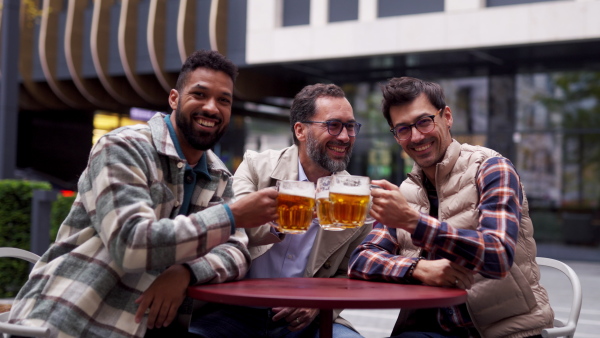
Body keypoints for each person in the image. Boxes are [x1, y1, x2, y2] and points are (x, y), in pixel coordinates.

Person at [8, 50, 278, 338]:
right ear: (174, 99)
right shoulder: (122, 147)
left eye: (223, 100)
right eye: (199, 94)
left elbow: (236, 250)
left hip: (151, 324)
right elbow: (131, 244)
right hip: (75, 318)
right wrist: (231, 216)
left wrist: (185, 272)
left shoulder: (217, 173)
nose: (212, 107)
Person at [349, 77, 554, 338]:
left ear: (447, 117)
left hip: (500, 330)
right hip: (427, 329)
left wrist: (414, 223)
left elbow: (498, 255)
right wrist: (416, 269)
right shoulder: (405, 191)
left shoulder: (491, 168)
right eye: (403, 129)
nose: (416, 136)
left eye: (424, 122)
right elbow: (360, 260)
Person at [189, 83, 370, 337]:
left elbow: (348, 274)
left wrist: (318, 303)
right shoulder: (255, 166)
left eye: (350, 126)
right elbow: (232, 228)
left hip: (307, 316)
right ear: (300, 130)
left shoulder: (355, 197)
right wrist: (287, 217)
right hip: (238, 308)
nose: (344, 136)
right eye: (333, 125)